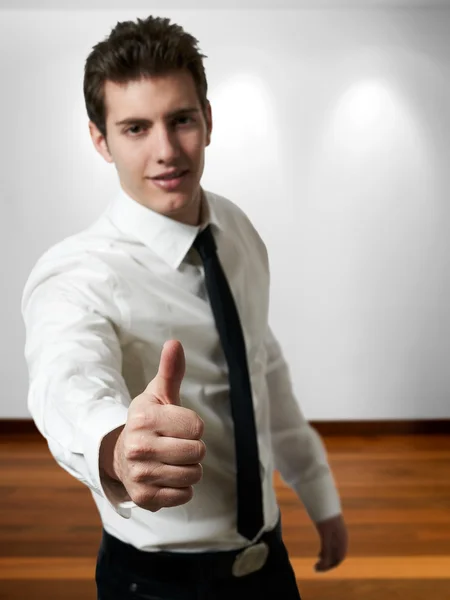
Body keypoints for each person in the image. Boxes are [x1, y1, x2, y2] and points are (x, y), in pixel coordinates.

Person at [21, 14, 348, 600]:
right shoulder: (77, 273)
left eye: (181, 121)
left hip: (268, 556)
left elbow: (262, 368)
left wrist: (319, 494)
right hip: (156, 582)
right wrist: (116, 449)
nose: (167, 151)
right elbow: (65, 380)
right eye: (135, 128)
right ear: (101, 140)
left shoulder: (237, 228)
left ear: (208, 120)